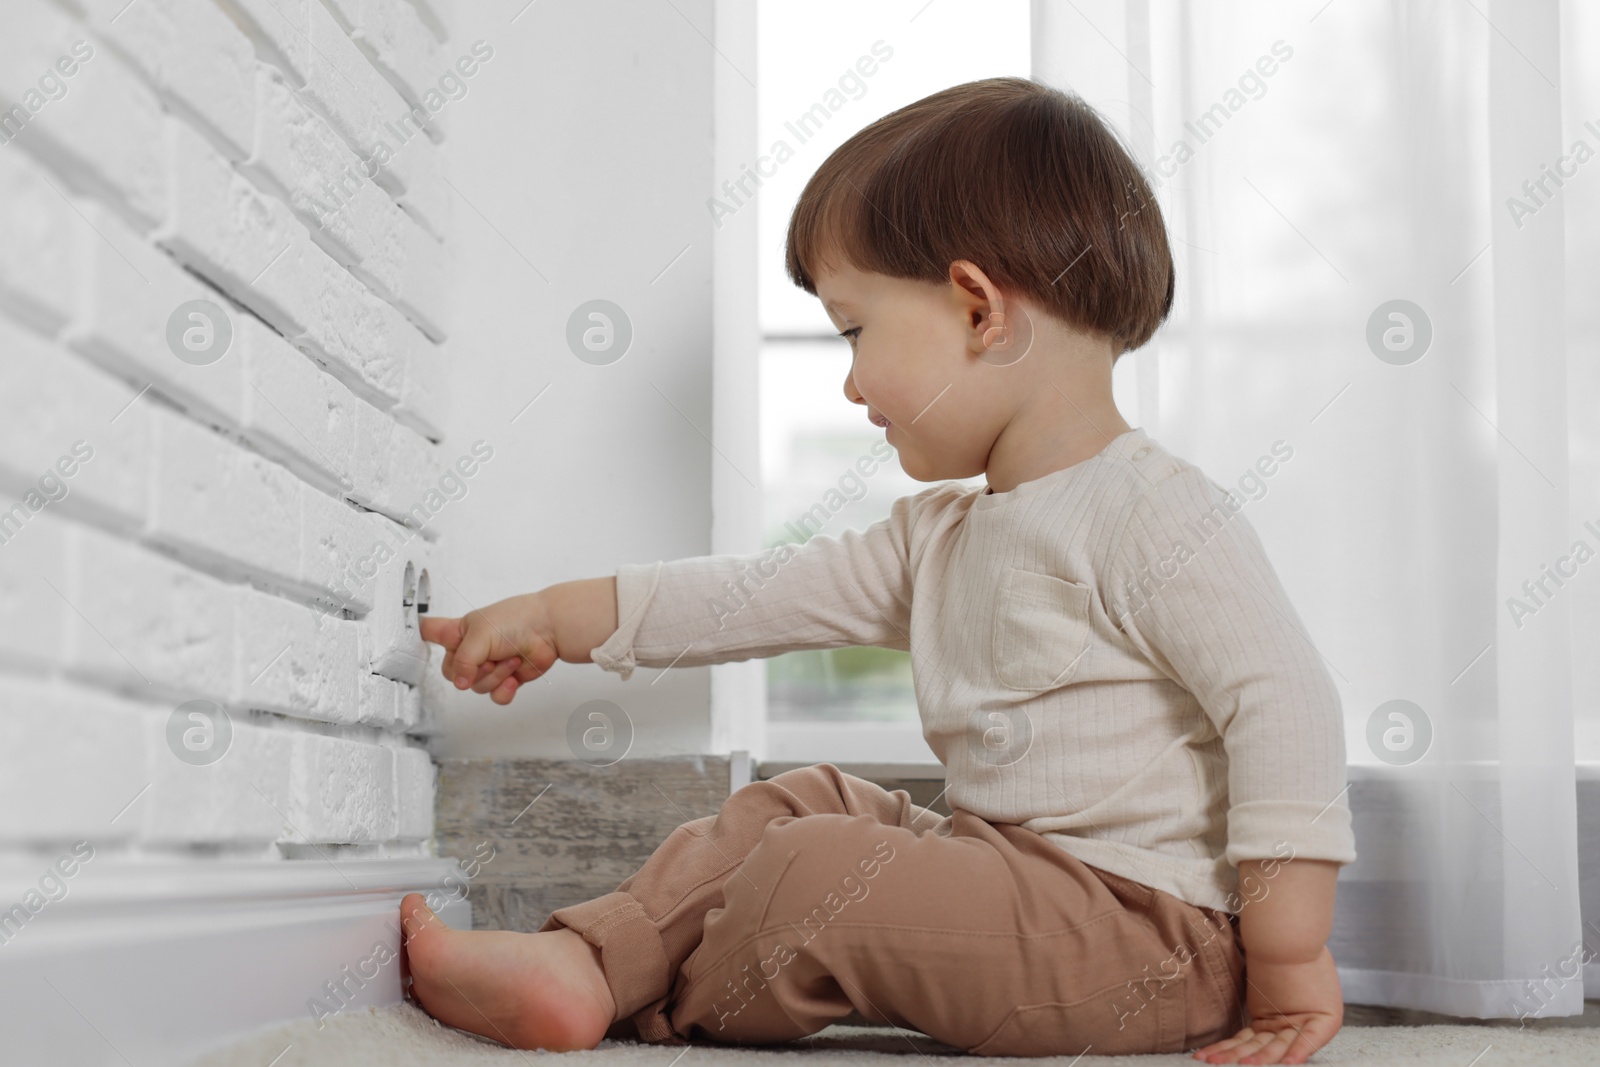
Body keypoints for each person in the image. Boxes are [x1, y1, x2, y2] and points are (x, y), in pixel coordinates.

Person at [400, 76, 1356, 1063]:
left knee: (818, 873)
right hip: (1013, 887)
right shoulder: (937, 534)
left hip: (1149, 938)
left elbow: (1284, 704)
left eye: (855, 330)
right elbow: (754, 595)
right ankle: (593, 963)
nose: (851, 379)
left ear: (978, 309)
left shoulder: (1154, 509)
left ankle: (643, 1002)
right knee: (800, 799)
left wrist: (1287, 951)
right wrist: (558, 617)